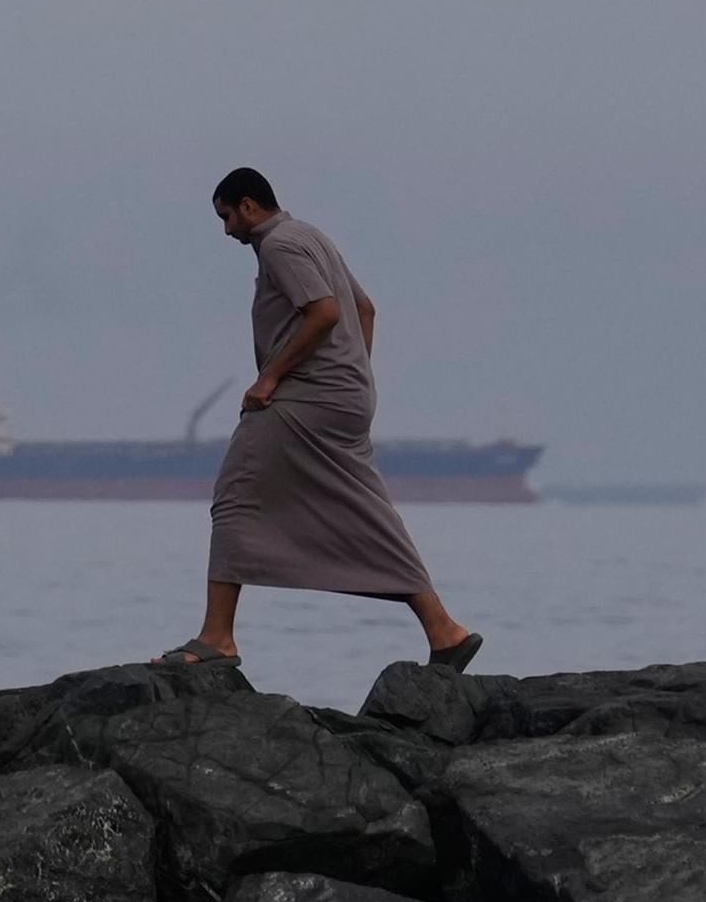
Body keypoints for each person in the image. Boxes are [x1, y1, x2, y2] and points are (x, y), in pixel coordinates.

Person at [156, 168, 481, 671]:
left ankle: (217, 637)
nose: (226, 231)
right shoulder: (311, 235)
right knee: (367, 511)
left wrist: (269, 379)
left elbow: (326, 312)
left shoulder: (279, 245)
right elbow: (365, 310)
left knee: (236, 493)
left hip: (304, 398)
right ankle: (444, 631)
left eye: (225, 217)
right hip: (345, 398)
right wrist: (354, 378)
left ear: (248, 206)